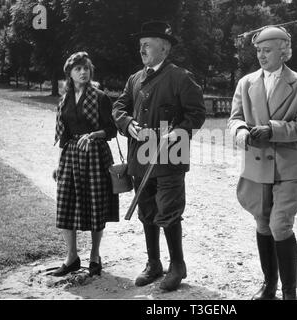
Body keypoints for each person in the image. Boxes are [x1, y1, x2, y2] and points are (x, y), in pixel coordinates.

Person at [112, 21, 206, 291]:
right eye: (140, 44)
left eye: (148, 44)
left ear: (164, 48)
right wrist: (127, 122)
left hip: (169, 158)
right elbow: (119, 106)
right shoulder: (135, 79)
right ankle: (154, 263)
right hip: (141, 159)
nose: (142, 48)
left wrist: (177, 133)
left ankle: (177, 266)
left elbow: (197, 114)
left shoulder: (179, 77)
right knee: (147, 212)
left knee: (169, 211)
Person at [228, 26, 297, 300]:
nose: (261, 56)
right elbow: (234, 118)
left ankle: (290, 293)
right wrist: (241, 131)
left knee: (280, 226)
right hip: (256, 167)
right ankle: (269, 286)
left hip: (287, 168)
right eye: (258, 51)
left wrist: (273, 130)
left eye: (267, 51)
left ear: (283, 52)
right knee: (263, 224)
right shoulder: (246, 82)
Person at [52, 51, 119, 277]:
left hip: (95, 156)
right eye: (78, 68)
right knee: (65, 206)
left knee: (95, 207)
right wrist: (59, 164)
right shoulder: (64, 100)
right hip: (71, 156)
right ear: (69, 73)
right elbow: (63, 135)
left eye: (86, 68)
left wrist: (93, 135)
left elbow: (111, 130)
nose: (83, 72)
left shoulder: (100, 97)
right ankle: (71, 257)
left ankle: (95, 256)